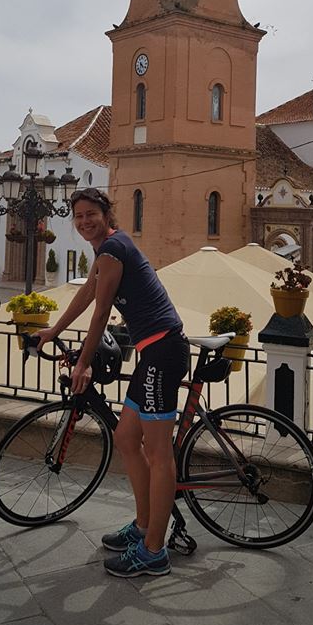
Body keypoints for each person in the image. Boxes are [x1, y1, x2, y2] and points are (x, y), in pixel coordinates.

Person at [37, 187, 189, 578]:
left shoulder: (112, 250)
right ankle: (143, 525)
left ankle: (154, 550)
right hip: (153, 353)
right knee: (125, 438)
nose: (84, 221)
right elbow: (88, 294)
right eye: (78, 216)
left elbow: (102, 311)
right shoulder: (107, 248)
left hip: (162, 352)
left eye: (91, 214)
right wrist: (53, 330)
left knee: (159, 454)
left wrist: (83, 363)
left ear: (106, 214)